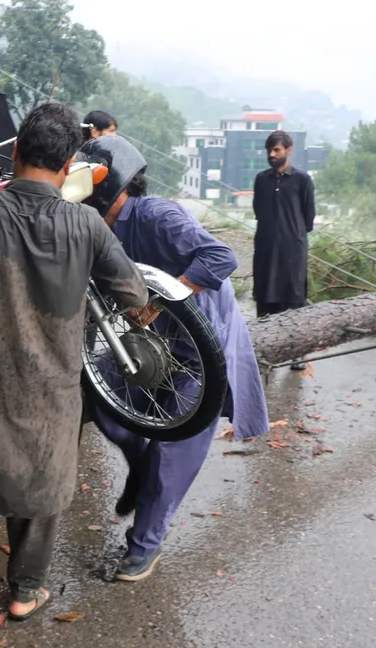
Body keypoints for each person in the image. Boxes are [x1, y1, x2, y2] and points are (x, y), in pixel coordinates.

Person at [0, 103, 150, 621]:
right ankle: (25, 592)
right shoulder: (87, 224)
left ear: (14, 151)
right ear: (70, 163)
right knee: (42, 481)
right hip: (52, 386)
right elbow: (133, 293)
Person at [79, 136, 270, 582]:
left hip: (202, 351)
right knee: (97, 391)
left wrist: (162, 299)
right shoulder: (101, 231)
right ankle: (139, 463)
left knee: (172, 452)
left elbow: (221, 256)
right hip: (153, 345)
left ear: (106, 186)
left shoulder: (156, 215)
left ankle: (144, 545)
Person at [252, 130, 316, 370]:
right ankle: (263, 353)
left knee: (293, 298)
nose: (272, 154)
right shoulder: (261, 179)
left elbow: (308, 218)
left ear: (289, 150)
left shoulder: (302, 180)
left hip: (292, 251)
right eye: (269, 150)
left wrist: (289, 232)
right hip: (266, 248)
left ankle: (296, 354)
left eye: (277, 150)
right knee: (265, 297)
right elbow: (258, 211)